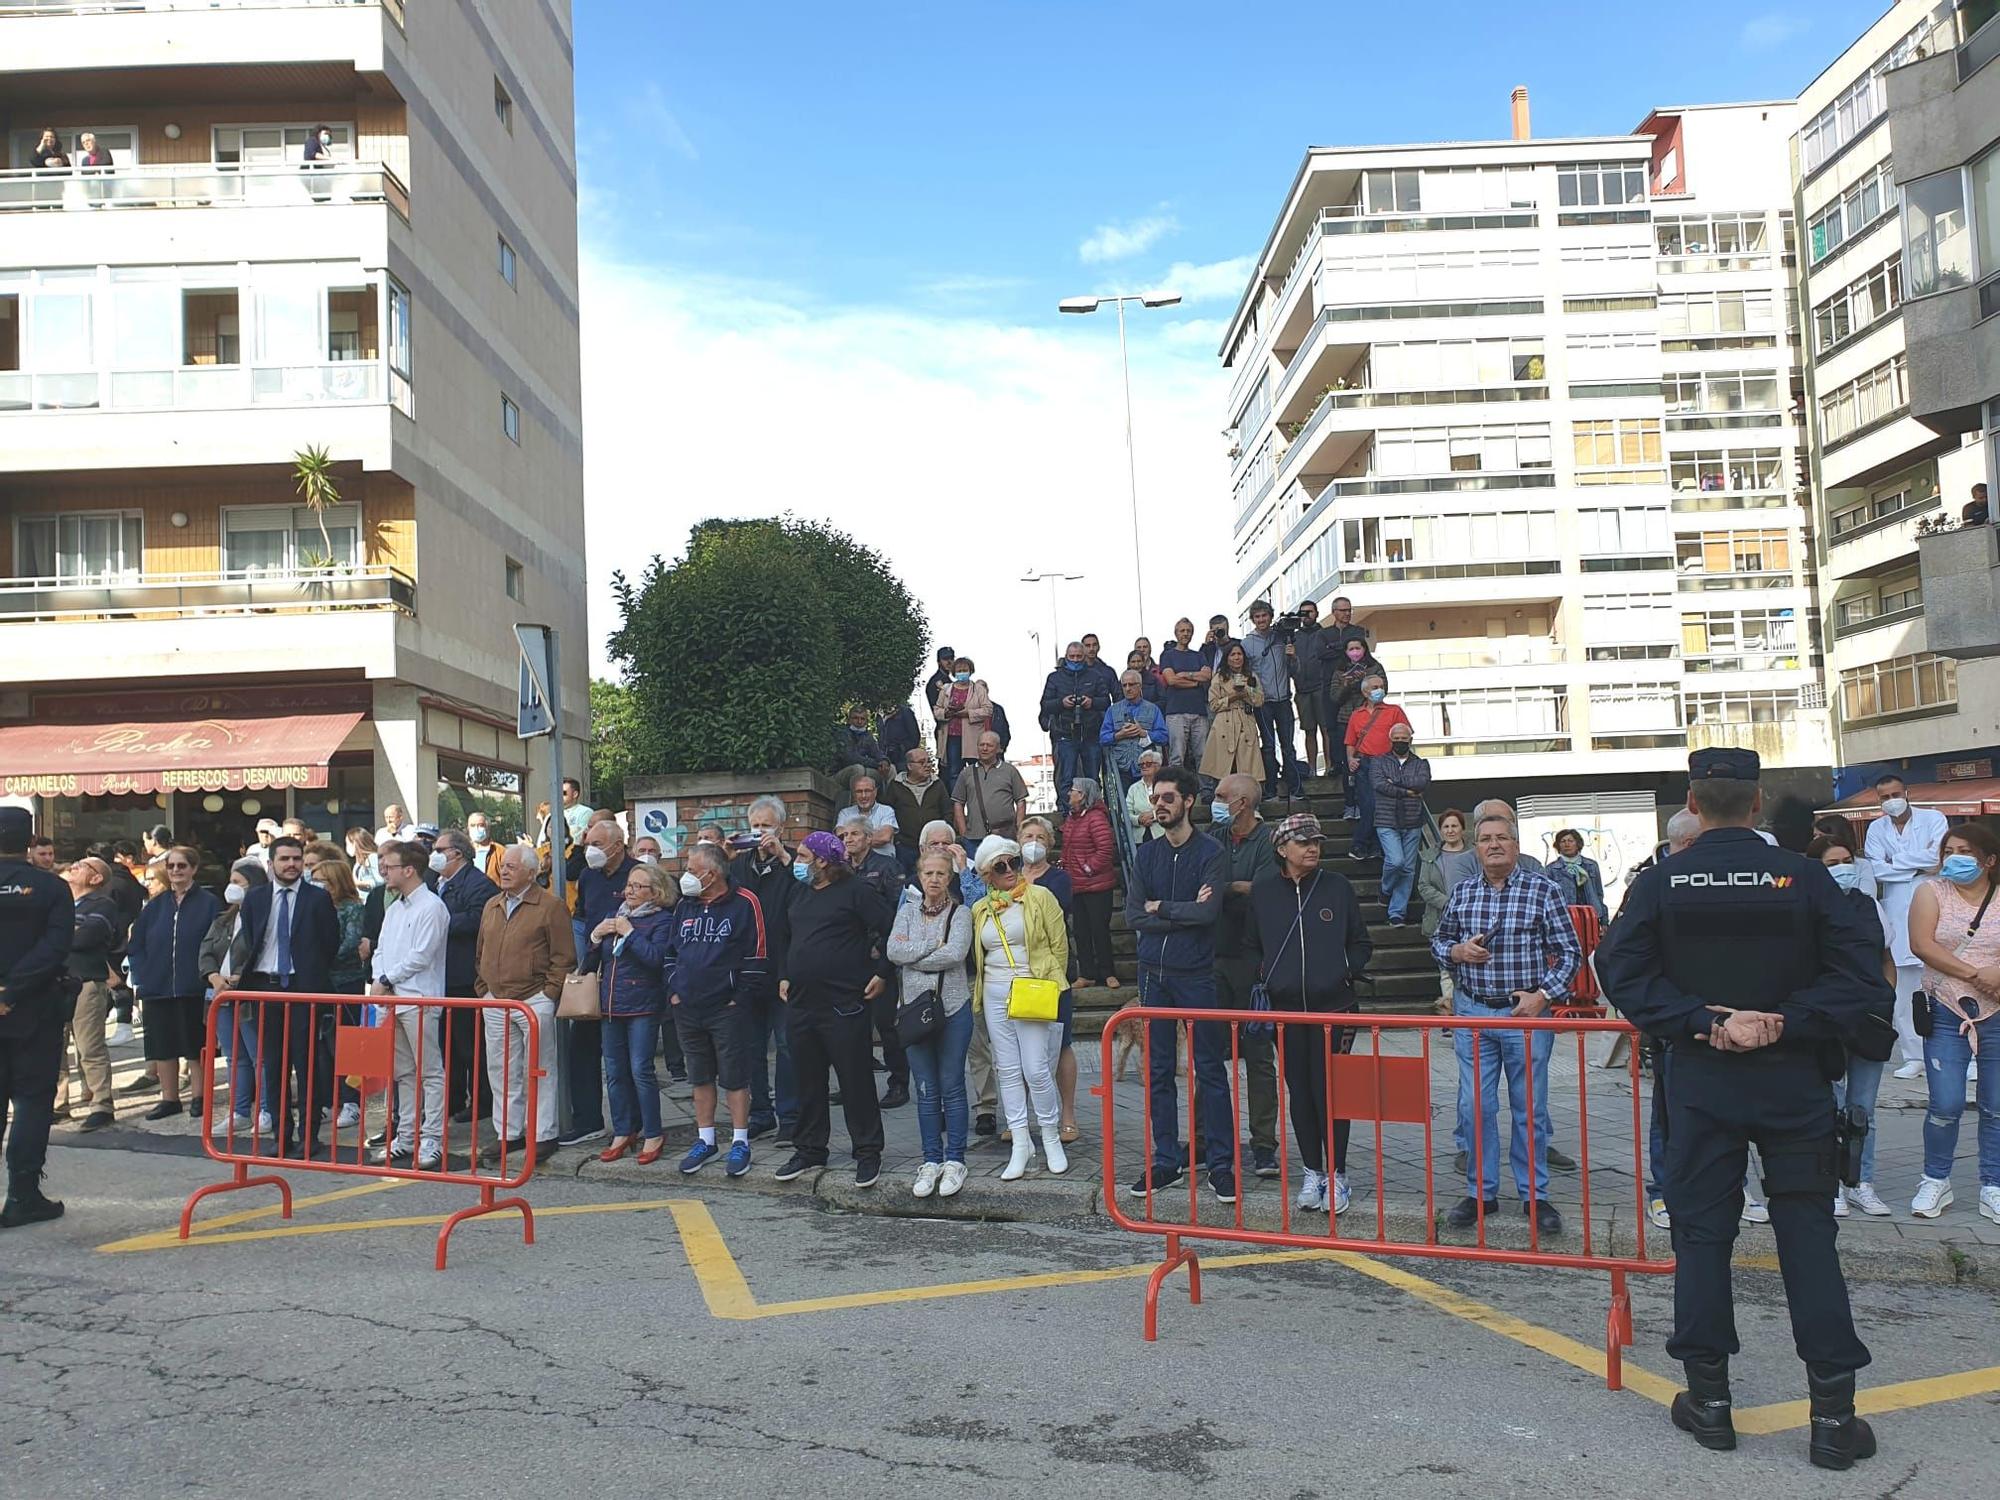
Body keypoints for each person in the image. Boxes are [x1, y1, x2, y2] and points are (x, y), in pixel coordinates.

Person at [1596, 748, 1887, 1472]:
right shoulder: (1809, 877)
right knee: (1808, 1238)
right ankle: (1832, 1419)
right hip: (1794, 1082)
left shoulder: (1663, 881)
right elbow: (1859, 976)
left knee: (1702, 1238)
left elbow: (1620, 968)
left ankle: (1711, 1403)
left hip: (1703, 1079)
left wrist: (1701, 1020)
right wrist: (1788, 1020)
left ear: (1695, 803)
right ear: (1756, 806)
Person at [1430, 812, 1582, 1235]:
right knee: (1475, 1107)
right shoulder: (1462, 893)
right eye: (1485, 839)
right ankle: (1482, 1193)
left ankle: (1535, 1195)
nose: (1493, 845)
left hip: (1525, 1017)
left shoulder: (1543, 890)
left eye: (1501, 838)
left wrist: (1544, 995)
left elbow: (1569, 953)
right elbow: (1439, 942)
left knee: (1528, 1109)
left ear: (1516, 845)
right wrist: (1457, 953)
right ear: (1475, 848)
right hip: (1473, 1013)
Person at [1249, 813, 1372, 1213]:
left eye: (1316, 840)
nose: (1313, 848)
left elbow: (1360, 942)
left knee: (1332, 1093)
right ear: (1282, 849)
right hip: (1286, 1013)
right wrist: (1266, 975)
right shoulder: (1265, 892)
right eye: (1303, 842)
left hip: (1334, 1009)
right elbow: (1252, 945)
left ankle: (1338, 1176)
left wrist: (1343, 971)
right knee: (1300, 1093)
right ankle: (1312, 1172)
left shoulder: (1337, 887)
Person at [1125, 765, 1237, 1202]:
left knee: (1209, 1070)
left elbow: (1209, 914)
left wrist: (1161, 908)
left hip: (1197, 976)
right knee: (1157, 1072)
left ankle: (1221, 1163)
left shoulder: (1210, 852)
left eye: (1168, 798)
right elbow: (1134, 914)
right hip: (1153, 976)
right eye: (1155, 799)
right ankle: (1165, 1160)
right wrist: (1178, 909)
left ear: (1188, 801)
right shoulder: (1147, 855)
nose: (1160, 805)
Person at [775, 832, 889, 1187]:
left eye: (804, 855)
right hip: (801, 1004)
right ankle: (810, 1148)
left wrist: (882, 973)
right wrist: (783, 974)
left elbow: (890, 929)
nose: (798, 861)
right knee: (807, 1080)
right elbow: (786, 937)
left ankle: (867, 1151)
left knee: (855, 1081)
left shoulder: (856, 891)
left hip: (843, 1004)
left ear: (823, 861)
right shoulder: (799, 892)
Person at [1906, 822, 2000, 1224]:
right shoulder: (1931, 891)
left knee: (1996, 1107)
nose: (1954, 858)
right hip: (1946, 1010)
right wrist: (1978, 974)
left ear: (1989, 861)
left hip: (1996, 1012)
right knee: (1945, 1103)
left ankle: (1992, 1184)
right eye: (1949, 851)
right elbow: (1921, 945)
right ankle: (1935, 1179)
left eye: (1965, 851)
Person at [230, 836, 339, 1156]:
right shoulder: (256, 899)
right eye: (284, 859)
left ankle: (309, 1136)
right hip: (266, 988)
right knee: (273, 1066)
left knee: (306, 1065)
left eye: (296, 859)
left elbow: (329, 943)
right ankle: (281, 1135)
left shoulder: (317, 899)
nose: (291, 864)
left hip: (303, 989)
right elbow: (251, 939)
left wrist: (309, 975)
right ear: (272, 863)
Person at [970, 836, 1071, 1180]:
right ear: (987, 875)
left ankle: (1050, 1136)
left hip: (1031, 988)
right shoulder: (980, 909)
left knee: (1037, 1068)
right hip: (995, 993)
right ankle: (1020, 1143)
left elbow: (1060, 947)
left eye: (1013, 862)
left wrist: (1050, 986)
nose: (1011, 870)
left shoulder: (1040, 897)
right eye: (1001, 866)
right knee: (1007, 1069)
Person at [665, 843, 768, 1178]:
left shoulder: (745, 903)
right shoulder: (685, 905)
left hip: (726, 1008)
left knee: (735, 1075)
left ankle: (740, 1141)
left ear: (713, 873)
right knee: (700, 1075)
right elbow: (670, 952)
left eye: (694, 870)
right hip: (688, 1006)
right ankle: (705, 1139)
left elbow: (757, 953)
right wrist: (675, 989)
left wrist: (739, 997)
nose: (687, 876)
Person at [1808, 836, 1896, 1219]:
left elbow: (1885, 958)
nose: (1841, 867)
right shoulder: (1804, 909)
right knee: (1829, 1104)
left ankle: (1860, 1181)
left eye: (1846, 860)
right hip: (1826, 1016)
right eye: (1831, 863)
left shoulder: (1870, 906)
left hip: (1869, 1015)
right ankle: (1830, 1185)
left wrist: (1885, 997)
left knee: (1863, 1109)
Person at [473, 844, 575, 1161]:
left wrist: (548, 994)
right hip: (496, 1001)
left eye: (512, 867)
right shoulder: (492, 904)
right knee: (501, 1071)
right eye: (504, 865)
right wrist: (483, 989)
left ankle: (543, 1134)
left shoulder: (550, 906)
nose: (504, 871)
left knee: (539, 1069)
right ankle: (509, 1133)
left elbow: (564, 957)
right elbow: (480, 953)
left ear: (531, 873)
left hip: (534, 999)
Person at [0, 809, 75, 1228]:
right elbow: (55, 947)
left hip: (23, 1002)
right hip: (34, 1007)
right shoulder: (51, 887)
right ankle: (23, 1194)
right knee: (31, 1102)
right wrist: (12, 991)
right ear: (29, 842)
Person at [889, 847, 975, 1198]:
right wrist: (930, 945)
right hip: (913, 1011)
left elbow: (955, 953)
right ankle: (930, 1159)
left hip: (952, 1008)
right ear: (919, 877)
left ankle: (955, 1159)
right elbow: (894, 951)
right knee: (925, 1089)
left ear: (950, 877)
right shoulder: (907, 912)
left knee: (952, 1084)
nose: (934, 879)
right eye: (928, 874)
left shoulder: (962, 913)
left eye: (941, 874)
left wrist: (915, 956)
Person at [362, 841, 449, 1168]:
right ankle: (408, 1136)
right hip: (393, 1000)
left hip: (419, 999)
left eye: (391, 865)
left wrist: (386, 980)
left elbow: (422, 955)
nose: (385, 869)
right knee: (403, 1072)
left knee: (429, 1071)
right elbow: (381, 948)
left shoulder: (432, 906)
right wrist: (379, 978)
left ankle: (431, 1139)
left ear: (409, 870)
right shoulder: (396, 907)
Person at [1210, 772, 1280, 1178]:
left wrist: (1226, 888)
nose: (1215, 801)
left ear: (1243, 803)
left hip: (1255, 964)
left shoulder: (1269, 841)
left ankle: (1264, 1145)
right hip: (1215, 958)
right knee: (1209, 1057)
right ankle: (1208, 1139)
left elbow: (1266, 890)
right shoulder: (1212, 838)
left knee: (1258, 1058)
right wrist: (1234, 887)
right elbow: (1205, 885)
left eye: (1221, 795)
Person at [127, 845, 224, 1121]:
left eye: (182, 865)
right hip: (156, 986)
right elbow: (137, 944)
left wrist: (209, 975)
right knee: (162, 1045)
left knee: (195, 1046)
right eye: (171, 866)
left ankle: (199, 1096)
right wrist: (143, 974)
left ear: (193, 868)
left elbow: (216, 942)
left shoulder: (208, 903)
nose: (176, 871)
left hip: (193, 986)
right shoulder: (155, 906)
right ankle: (169, 1098)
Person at [587, 859, 673, 1166]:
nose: (630, 892)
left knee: (641, 1070)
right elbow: (596, 961)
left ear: (655, 892)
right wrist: (595, 938)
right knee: (614, 1072)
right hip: (612, 1003)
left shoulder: (661, 920)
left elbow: (656, 959)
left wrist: (630, 933)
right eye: (629, 886)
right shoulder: (616, 915)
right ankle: (623, 1131)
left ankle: (653, 1133)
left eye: (638, 887)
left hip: (643, 1005)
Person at [1862, 774, 1946, 1079]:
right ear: (1878, 801)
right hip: (1897, 909)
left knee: (1945, 987)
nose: (1891, 801)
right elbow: (1876, 868)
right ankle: (1914, 1056)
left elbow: (1937, 860)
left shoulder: (1933, 818)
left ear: (1907, 792)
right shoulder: (1876, 828)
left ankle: (1962, 1056)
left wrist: (1896, 860)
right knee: (1904, 993)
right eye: (1884, 797)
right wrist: (1916, 866)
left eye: (1896, 794)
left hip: (1934, 904)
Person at [730, 795, 794, 1140]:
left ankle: (790, 1116)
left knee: (786, 1046)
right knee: (751, 1047)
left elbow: (806, 889)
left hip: (783, 967)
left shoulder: (793, 862)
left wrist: (783, 856)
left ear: (780, 827)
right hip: (748, 971)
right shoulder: (740, 865)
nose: (760, 832)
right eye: (755, 826)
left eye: (766, 825)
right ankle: (760, 1113)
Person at [563, 820, 629, 1147]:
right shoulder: (589, 876)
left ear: (618, 845)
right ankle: (587, 1120)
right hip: (593, 973)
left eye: (598, 844)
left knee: (624, 1058)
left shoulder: (636, 874)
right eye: (589, 842)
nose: (591, 850)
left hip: (627, 975)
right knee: (582, 1050)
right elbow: (583, 918)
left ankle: (631, 1125)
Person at [840, 812, 909, 1108]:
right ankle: (853, 1086)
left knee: (886, 1023)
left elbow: (897, 913)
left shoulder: (886, 867)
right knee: (851, 1025)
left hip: (880, 955)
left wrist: (883, 948)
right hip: (848, 957)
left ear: (869, 838)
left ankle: (899, 1083)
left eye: (854, 834)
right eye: (844, 836)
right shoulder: (840, 870)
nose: (848, 840)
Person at [430, 830, 498, 1124]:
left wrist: (439, 922)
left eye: (439, 848)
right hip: (442, 975)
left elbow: (478, 921)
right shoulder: (438, 883)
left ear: (456, 853)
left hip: (465, 974)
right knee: (448, 1043)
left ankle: (482, 1100)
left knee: (471, 1044)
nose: (434, 853)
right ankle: (454, 1097)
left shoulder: (478, 883)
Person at [58, 856, 120, 1131]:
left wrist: (55, 934)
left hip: (86, 981)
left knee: (89, 1046)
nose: (74, 866)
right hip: (56, 982)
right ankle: (59, 1104)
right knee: (54, 1047)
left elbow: (86, 938)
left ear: (96, 878)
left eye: (83, 865)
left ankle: (101, 1104)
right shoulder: (61, 904)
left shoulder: (103, 904)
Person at [1242, 600, 1303, 800]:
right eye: (1257, 617)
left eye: (1264, 616)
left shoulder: (1283, 637)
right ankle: (1271, 788)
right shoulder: (1247, 643)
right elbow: (1245, 673)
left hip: (1284, 699)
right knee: (1268, 746)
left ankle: (1295, 787)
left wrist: (1293, 657)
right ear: (1252, 620)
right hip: (1263, 702)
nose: (1261, 620)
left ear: (1270, 616)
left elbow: (1295, 671)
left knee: (1288, 745)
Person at [1343, 675, 1408, 861]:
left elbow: (1405, 736)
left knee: (1384, 807)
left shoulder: (1394, 711)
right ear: (1365, 692)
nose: (1379, 689)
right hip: (1364, 763)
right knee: (1368, 805)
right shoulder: (1357, 715)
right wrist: (1350, 759)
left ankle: (1373, 847)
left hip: (1387, 763)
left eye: (1381, 686)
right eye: (1375, 687)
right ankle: (1361, 844)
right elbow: (1350, 742)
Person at [1041, 641, 1112, 811]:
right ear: (1066, 657)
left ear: (1084, 656)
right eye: (1072, 657)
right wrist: (1062, 703)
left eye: (1079, 656)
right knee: (1066, 779)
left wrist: (1091, 702)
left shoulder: (1095, 676)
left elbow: (1106, 701)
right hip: (1065, 733)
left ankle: (1095, 814)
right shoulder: (1054, 678)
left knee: (1093, 778)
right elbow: (1045, 704)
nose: (1075, 659)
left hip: (1090, 734)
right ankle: (1067, 814)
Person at [1372, 723, 1430, 926]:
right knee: (1396, 861)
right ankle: (1386, 890)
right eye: (1396, 739)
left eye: (1404, 739)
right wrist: (1406, 791)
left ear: (1410, 740)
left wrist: (1394, 782)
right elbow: (1379, 784)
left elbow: (1421, 783)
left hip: (1413, 820)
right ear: (1390, 740)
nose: (1400, 742)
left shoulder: (1421, 763)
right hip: (1386, 819)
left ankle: (1397, 912)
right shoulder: (1379, 762)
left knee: (1408, 869)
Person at [1419, 809, 1476, 1008]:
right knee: (1445, 969)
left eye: (1454, 826)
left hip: (1472, 917)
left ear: (1462, 829)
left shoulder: (1476, 854)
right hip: (1440, 918)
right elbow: (1424, 886)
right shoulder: (1430, 856)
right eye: (1446, 827)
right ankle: (1451, 1014)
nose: (1450, 830)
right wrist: (1447, 902)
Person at [1328, 637, 1387, 816]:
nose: (1355, 652)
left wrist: (1366, 683)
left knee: (1368, 764)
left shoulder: (1374, 667)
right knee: (1349, 764)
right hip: (1346, 719)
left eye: (1358, 648)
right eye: (1351, 649)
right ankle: (1350, 803)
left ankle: (1364, 803)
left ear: (1364, 649)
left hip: (1371, 718)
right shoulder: (1339, 670)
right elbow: (1334, 697)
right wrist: (1347, 684)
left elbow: (1382, 690)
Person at [1199, 640, 1263, 791]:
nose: (1236, 658)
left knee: (1248, 769)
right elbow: (1213, 704)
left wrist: (1246, 692)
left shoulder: (1251, 676)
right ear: (1227, 658)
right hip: (1224, 725)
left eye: (1239, 654)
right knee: (1223, 768)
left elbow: (1259, 701)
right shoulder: (1219, 677)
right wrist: (1232, 697)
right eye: (1233, 654)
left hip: (1245, 722)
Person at [952, 730, 1028, 851]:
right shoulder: (966, 773)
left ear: (998, 749)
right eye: (981, 745)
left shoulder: (1010, 771)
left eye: (989, 745)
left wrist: (1019, 828)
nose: (985, 748)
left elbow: (1021, 801)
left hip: (1005, 836)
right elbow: (958, 803)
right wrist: (963, 833)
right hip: (974, 838)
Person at [1158, 618, 1214, 775]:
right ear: (1176, 633)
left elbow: (1207, 676)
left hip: (1199, 711)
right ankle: (1177, 794)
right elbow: (1171, 680)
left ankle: (1206, 793)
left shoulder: (1199, 655)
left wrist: (1186, 675)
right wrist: (1196, 683)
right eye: (1182, 631)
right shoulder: (1168, 655)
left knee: (1203, 755)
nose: (1185, 634)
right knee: (1177, 757)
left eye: (1188, 631)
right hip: (1176, 712)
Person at [885, 747, 949, 881]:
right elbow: (888, 813)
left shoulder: (938, 784)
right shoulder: (895, 786)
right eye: (921, 762)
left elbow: (948, 812)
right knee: (905, 884)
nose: (927, 765)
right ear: (909, 766)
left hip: (932, 848)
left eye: (928, 761)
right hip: (905, 846)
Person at [1288, 599, 1335, 778]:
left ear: (1316, 613)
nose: (1306, 615)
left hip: (1321, 687)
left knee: (1325, 728)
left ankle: (1330, 766)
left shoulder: (1324, 634)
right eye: (1303, 612)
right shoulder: (1294, 636)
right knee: (1308, 730)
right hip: (1302, 688)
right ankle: (1312, 768)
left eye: (1310, 612)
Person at [1100, 669, 1169, 789]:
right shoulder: (1112, 710)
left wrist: (1144, 733)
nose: (1127, 688)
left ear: (1140, 686)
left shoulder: (1153, 709)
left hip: (1146, 768)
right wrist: (1120, 735)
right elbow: (1103, 738)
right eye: (1124, 685)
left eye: (1131, 684)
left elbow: (1164, 737)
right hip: (1121, 768)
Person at [932, 657, 992, 789]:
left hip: (973, 738)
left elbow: (988, 710)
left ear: (971, 671)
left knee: (975, 772)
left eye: (965, 670)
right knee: (954, 773)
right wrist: (946, 713)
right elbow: (936, 709)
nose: (962, 673)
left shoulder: (978, 689)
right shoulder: (946, 689)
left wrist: (968, 714)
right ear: (954, 672)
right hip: (952, 737)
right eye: (959, 670)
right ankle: (956, 806)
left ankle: (976, 803)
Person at [1547, 829, 1608, 922]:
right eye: (1563, 841)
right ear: (1558, 846)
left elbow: (1599, 894)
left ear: (1578, 844)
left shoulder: (1591, 865)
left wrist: (1604, 921)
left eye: (1570, 841)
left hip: (1590, 916)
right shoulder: (1551, 869)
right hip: (1564, 917)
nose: (1567, 844)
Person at [839, 774, 899, 856]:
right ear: (854, 794)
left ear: (875, 792)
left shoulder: (887, 811)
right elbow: (840, 835)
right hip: (852, 863)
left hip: (882, 862)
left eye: (867, 791)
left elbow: (884, 837)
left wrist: (853, 841)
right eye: (859, 792)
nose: (863, 796)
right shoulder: (845, 813)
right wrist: (873, 834)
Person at [1127, 746, 1166, 845]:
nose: (1144, 766)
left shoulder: (1165, 786)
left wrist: (1153, 815)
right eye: (1141, 764)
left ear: (1157, 766)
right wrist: (1138, 819)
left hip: (1163, 834)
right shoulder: (1133, 788)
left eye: (1148, 764)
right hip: (1139, 837)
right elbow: (1126, 812)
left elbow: (1171, 807)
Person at [878, 697, 922, 782]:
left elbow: (915, 737)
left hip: (902, 756)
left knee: (902, 783)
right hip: (886, 756)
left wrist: (903, 748)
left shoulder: (905, 712)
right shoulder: (879, 714)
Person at [464, 813, 506, 881]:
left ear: (487, 828)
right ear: (468, 828)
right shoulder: (463, 852)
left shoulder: (500, 852)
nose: (476, 828)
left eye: (480, 825)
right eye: (472, 825)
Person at [346, 827, 382, 893]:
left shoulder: (372, 857)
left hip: (372, 897)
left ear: (356, 843)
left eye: (348, 844)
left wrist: (359, 883)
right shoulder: (358, 862)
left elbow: (380, 881)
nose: (347, 847)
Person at [559, 778, 592, 847]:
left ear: (575, 794)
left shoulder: (585, 812)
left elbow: (579, 839)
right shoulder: (552, 814)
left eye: (563, 793)